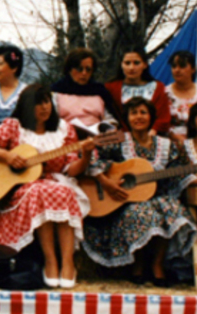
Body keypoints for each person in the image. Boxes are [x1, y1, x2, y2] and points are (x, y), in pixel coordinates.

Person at [0, 84, 94, 289]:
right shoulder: (14, 127)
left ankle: (68, 262)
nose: (44, 107)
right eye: (37, 103)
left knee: (63, 191)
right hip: (22, 188)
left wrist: (86, 153)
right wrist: (7, 156)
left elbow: (72, 170)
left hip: (56, 182)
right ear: (26, 106)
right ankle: (50, 261)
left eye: (46, 101)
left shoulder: (64, 130)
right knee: (38, 190)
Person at [81, 97, 196, 286]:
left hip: (157, 197)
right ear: (127, 118)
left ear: (151, 117)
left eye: (143, 112)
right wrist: (106, 182)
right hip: (123, 201)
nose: (138, 117)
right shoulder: (117, 140)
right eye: (134, 113)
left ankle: (157, 265)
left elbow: (179, 171)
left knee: (170, 207)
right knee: (140, 211)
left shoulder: (166, 145)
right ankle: (138, 265)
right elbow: (91, 158)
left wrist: (191, 177)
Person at [51, 47, 120, 134]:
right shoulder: (57, 92)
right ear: (70, 69)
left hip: (98, 138)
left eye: (88, 69)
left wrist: (111, 127)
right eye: (79, 69)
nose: (84, 73)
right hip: (68, 137)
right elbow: (51, 122)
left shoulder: (99, 91)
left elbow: (110, 118)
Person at [105, 47, 171, 136]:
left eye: (136, 63)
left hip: (152, 137)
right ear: (121, 65)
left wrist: (151, 134)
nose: (131, 67)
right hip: (120, 138)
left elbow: (163, 117)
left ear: (145, 65)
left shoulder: (158, 87)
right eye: (127, 63)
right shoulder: (110, 88)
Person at [165, 50, 197, 145]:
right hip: (169, 144)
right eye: (174, 66)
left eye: (182, 66)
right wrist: (173, 135)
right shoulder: (163, 94)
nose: (177, 70)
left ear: (193, 69)